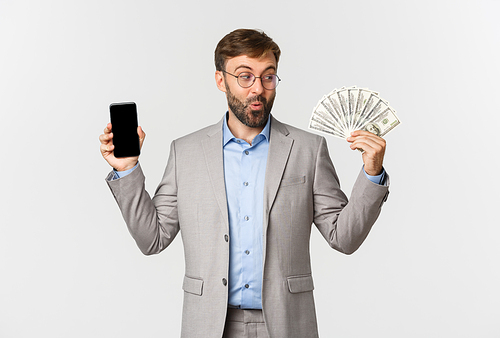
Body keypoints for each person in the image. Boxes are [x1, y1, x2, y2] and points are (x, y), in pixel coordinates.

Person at [99, 28, 390, 338]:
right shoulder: (185, 152)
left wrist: (372, 173)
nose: (258, 89)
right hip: (210, 324)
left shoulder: (308, 149)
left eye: (268, 77)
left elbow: (343, 237)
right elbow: (152, 239)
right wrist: (128, 169)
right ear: (220, 80)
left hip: (287, 323)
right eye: (245, 76)